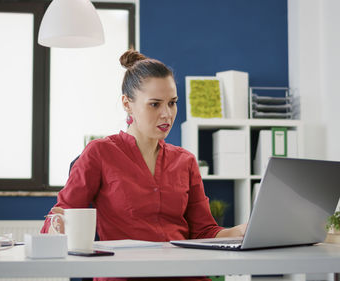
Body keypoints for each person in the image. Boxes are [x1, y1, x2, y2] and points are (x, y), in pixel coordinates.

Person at [41, 50, 247, 281]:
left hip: (184, 274)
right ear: (127, 104)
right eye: (155, 104)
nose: (167, 114)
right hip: (125, 275)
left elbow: (204, 232)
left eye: (172, 103)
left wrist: (239, 232)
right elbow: (60, 218)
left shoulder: (185, 161)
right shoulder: (100, 153)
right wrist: (57, 225)